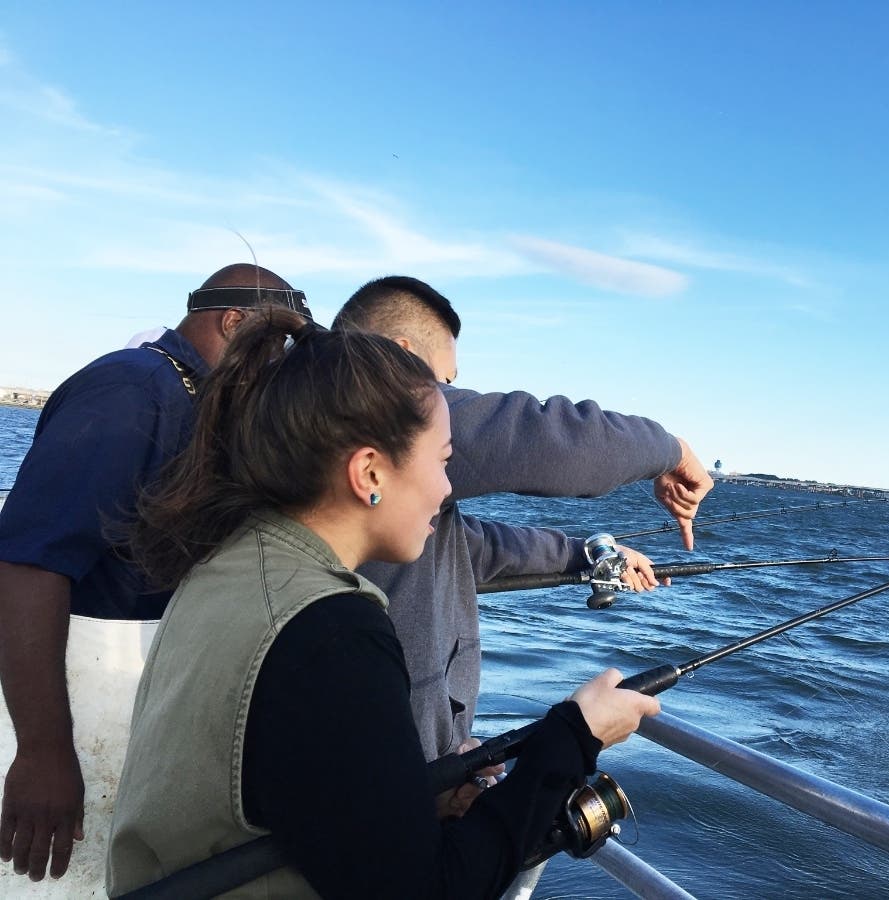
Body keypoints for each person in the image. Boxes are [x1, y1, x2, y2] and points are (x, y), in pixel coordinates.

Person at [107, 309, 660, 898]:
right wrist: (575, 736)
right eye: (443, 461)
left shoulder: (231, 564)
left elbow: (292, 782)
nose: (448, 489)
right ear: (369, 471)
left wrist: (411, 793)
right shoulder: (331, 629)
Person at [331, 277, 713, 784]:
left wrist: (587, 554)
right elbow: (554, 441)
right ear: (400, 359)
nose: (449, 400)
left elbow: (468, 547)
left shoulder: (346, 462)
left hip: (406, 763)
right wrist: (673, 449)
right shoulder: (377, 413)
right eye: (445, 383)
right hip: (379, 775)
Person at [0, 264, 311, 883]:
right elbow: (26, 563)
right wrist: (43, 751)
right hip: (62, 709)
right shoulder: (133, 388)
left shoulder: (198, 403)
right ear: (235, 323)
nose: (280, 374)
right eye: (277, 350)